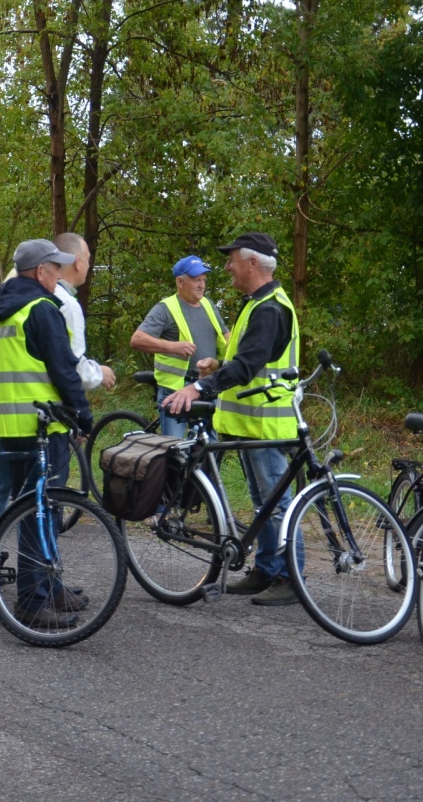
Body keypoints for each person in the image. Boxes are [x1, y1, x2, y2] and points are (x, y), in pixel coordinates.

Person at [0, 238, 94, 629]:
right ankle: (33, 601)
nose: (59, 274)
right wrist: (83, 417)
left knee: (22, 508)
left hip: (6, 430)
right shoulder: (43, 310)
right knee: (41, 511)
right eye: (55, 268)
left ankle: (49, 587)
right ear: (41, 272)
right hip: (42, 429)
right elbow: (64, 371)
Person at [161, 232, 302, 606]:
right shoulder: (258, 303)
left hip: (266, 423)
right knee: (263, 503)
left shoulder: (270, 307)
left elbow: (249, 365)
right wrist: (219, 365)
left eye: (232, 260)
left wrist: (199, 388)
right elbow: (252, 358)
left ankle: (290, 577)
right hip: (251, 423)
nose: (226, 267)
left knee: (277, 504)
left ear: (252, 263)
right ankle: (268, 570)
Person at [130, 255, 226, 437]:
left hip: (205, 386)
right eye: (196, 280)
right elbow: (137, 339)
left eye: (204, 280)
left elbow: (225, 334)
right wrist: (173, 347)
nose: (202, 285)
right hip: (175, 389)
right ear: (180, 282)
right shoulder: (165, 308)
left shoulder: (208, 305)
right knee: (173, 449)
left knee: (208, 449)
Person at [51, 232, 115, 393]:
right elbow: (74, 367)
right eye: (87, 260)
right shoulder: (67, 304)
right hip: (48, 405)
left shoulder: (38, 296)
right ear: (78, 263)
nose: (88, 265)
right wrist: (99, 373)